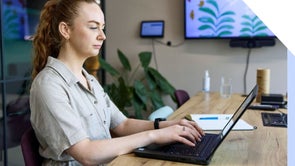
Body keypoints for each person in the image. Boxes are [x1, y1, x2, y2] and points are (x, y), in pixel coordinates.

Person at [29, 0, 205, 165]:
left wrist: (167, 125)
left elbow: (122, 125)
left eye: (102, 28)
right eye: (93, 27)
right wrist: (154, 135)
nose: (102, 36)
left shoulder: (89, 80)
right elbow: (86, 153)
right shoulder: (48, 85)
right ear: (65, 30)